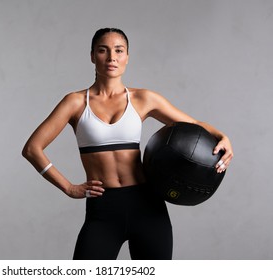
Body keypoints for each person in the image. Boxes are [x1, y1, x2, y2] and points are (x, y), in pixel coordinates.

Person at [22, 28, 233, 260]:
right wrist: (68, 187)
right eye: (103, 50)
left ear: (127, 57)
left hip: (147, 205)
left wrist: (223, 137)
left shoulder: (143, 99)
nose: (112, 57)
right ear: (92, 56)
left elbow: (193, 124)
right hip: (103, 209)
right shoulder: (74, 103)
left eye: (119, 51)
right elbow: (32, 149)